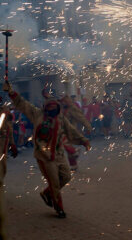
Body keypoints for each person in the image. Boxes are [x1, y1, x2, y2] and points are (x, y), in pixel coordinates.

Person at [3, 82, 90, 218]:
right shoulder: (37, 115)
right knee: (54, 182)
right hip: (44, 155)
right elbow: (22, 104)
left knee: (66, 176)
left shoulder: (60, 118)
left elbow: (70, 130)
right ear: (45, 108)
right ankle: (59, 208)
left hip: (59, 153)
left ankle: (46, 193)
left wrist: (83, 141)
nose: (52, 111)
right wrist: (11, 92)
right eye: (50, 108)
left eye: (54, 108)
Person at [0, 100, 18, 240]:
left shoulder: (4, 111)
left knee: (3, 168)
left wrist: (12, 143)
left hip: (2, 144)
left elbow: (9, 127)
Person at [59, 95, 92, 171]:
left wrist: (88, 126)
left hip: (70, 130)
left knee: (64, 143)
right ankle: (73, 165)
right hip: (61, 129)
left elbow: (81, 118)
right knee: (67, 147)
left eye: (63, 101)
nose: (62, 103)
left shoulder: (72, 109)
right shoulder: (60, 109)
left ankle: (75, 151)